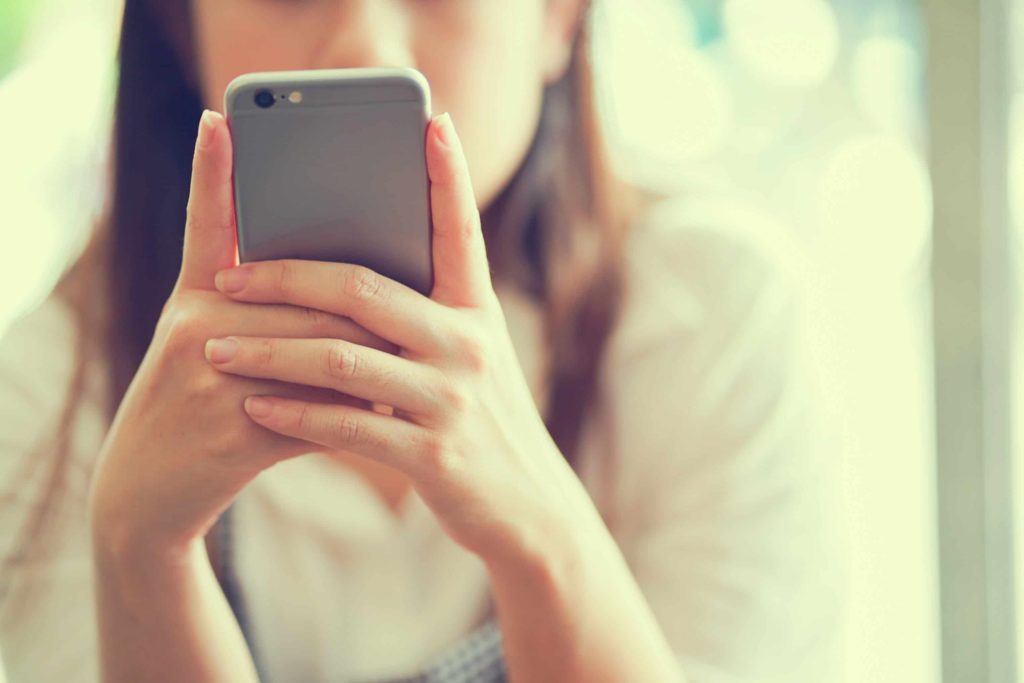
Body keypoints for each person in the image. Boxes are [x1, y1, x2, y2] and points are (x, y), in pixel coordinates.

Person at [0, 0, 845, 681]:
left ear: (559, 17)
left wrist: (543, 537)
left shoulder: (714, 321)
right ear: (182, 25)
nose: (363, 38)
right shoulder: (46, 391)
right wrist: (141, 551)